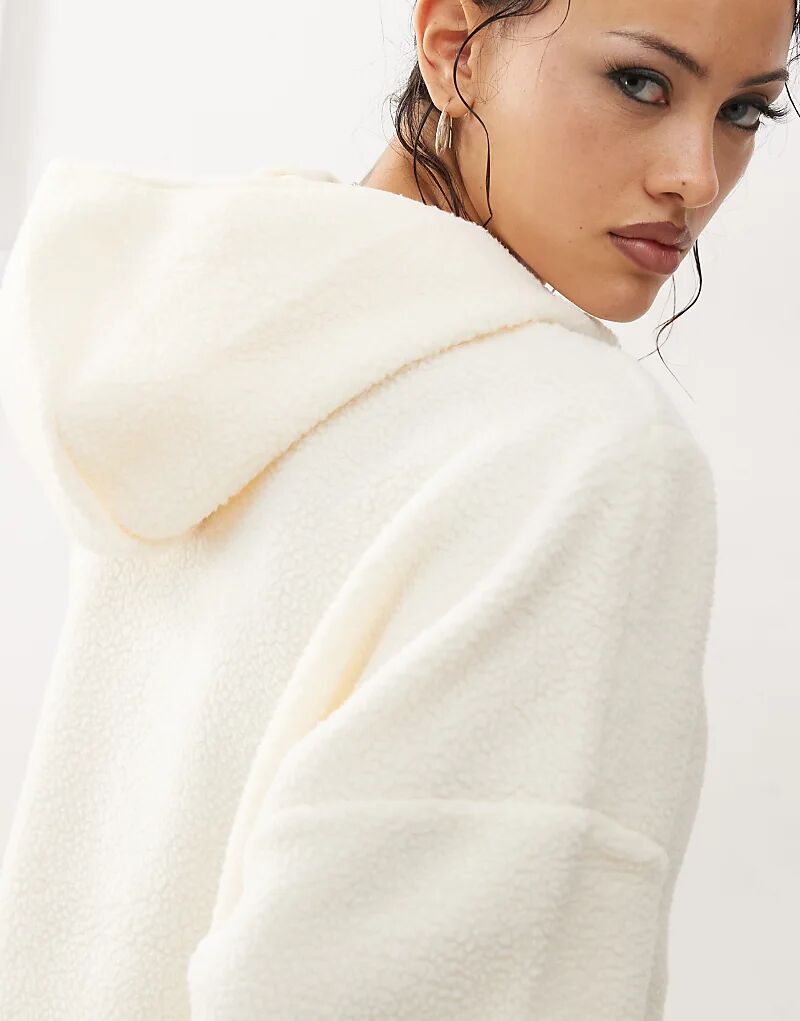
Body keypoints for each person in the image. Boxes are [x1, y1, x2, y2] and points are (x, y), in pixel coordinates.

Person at [0, 1, 794, 1018]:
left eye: (743, 112)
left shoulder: (202, 360)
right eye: (639, 83)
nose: (696, 175)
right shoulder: (580, 444)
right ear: (453, 46)